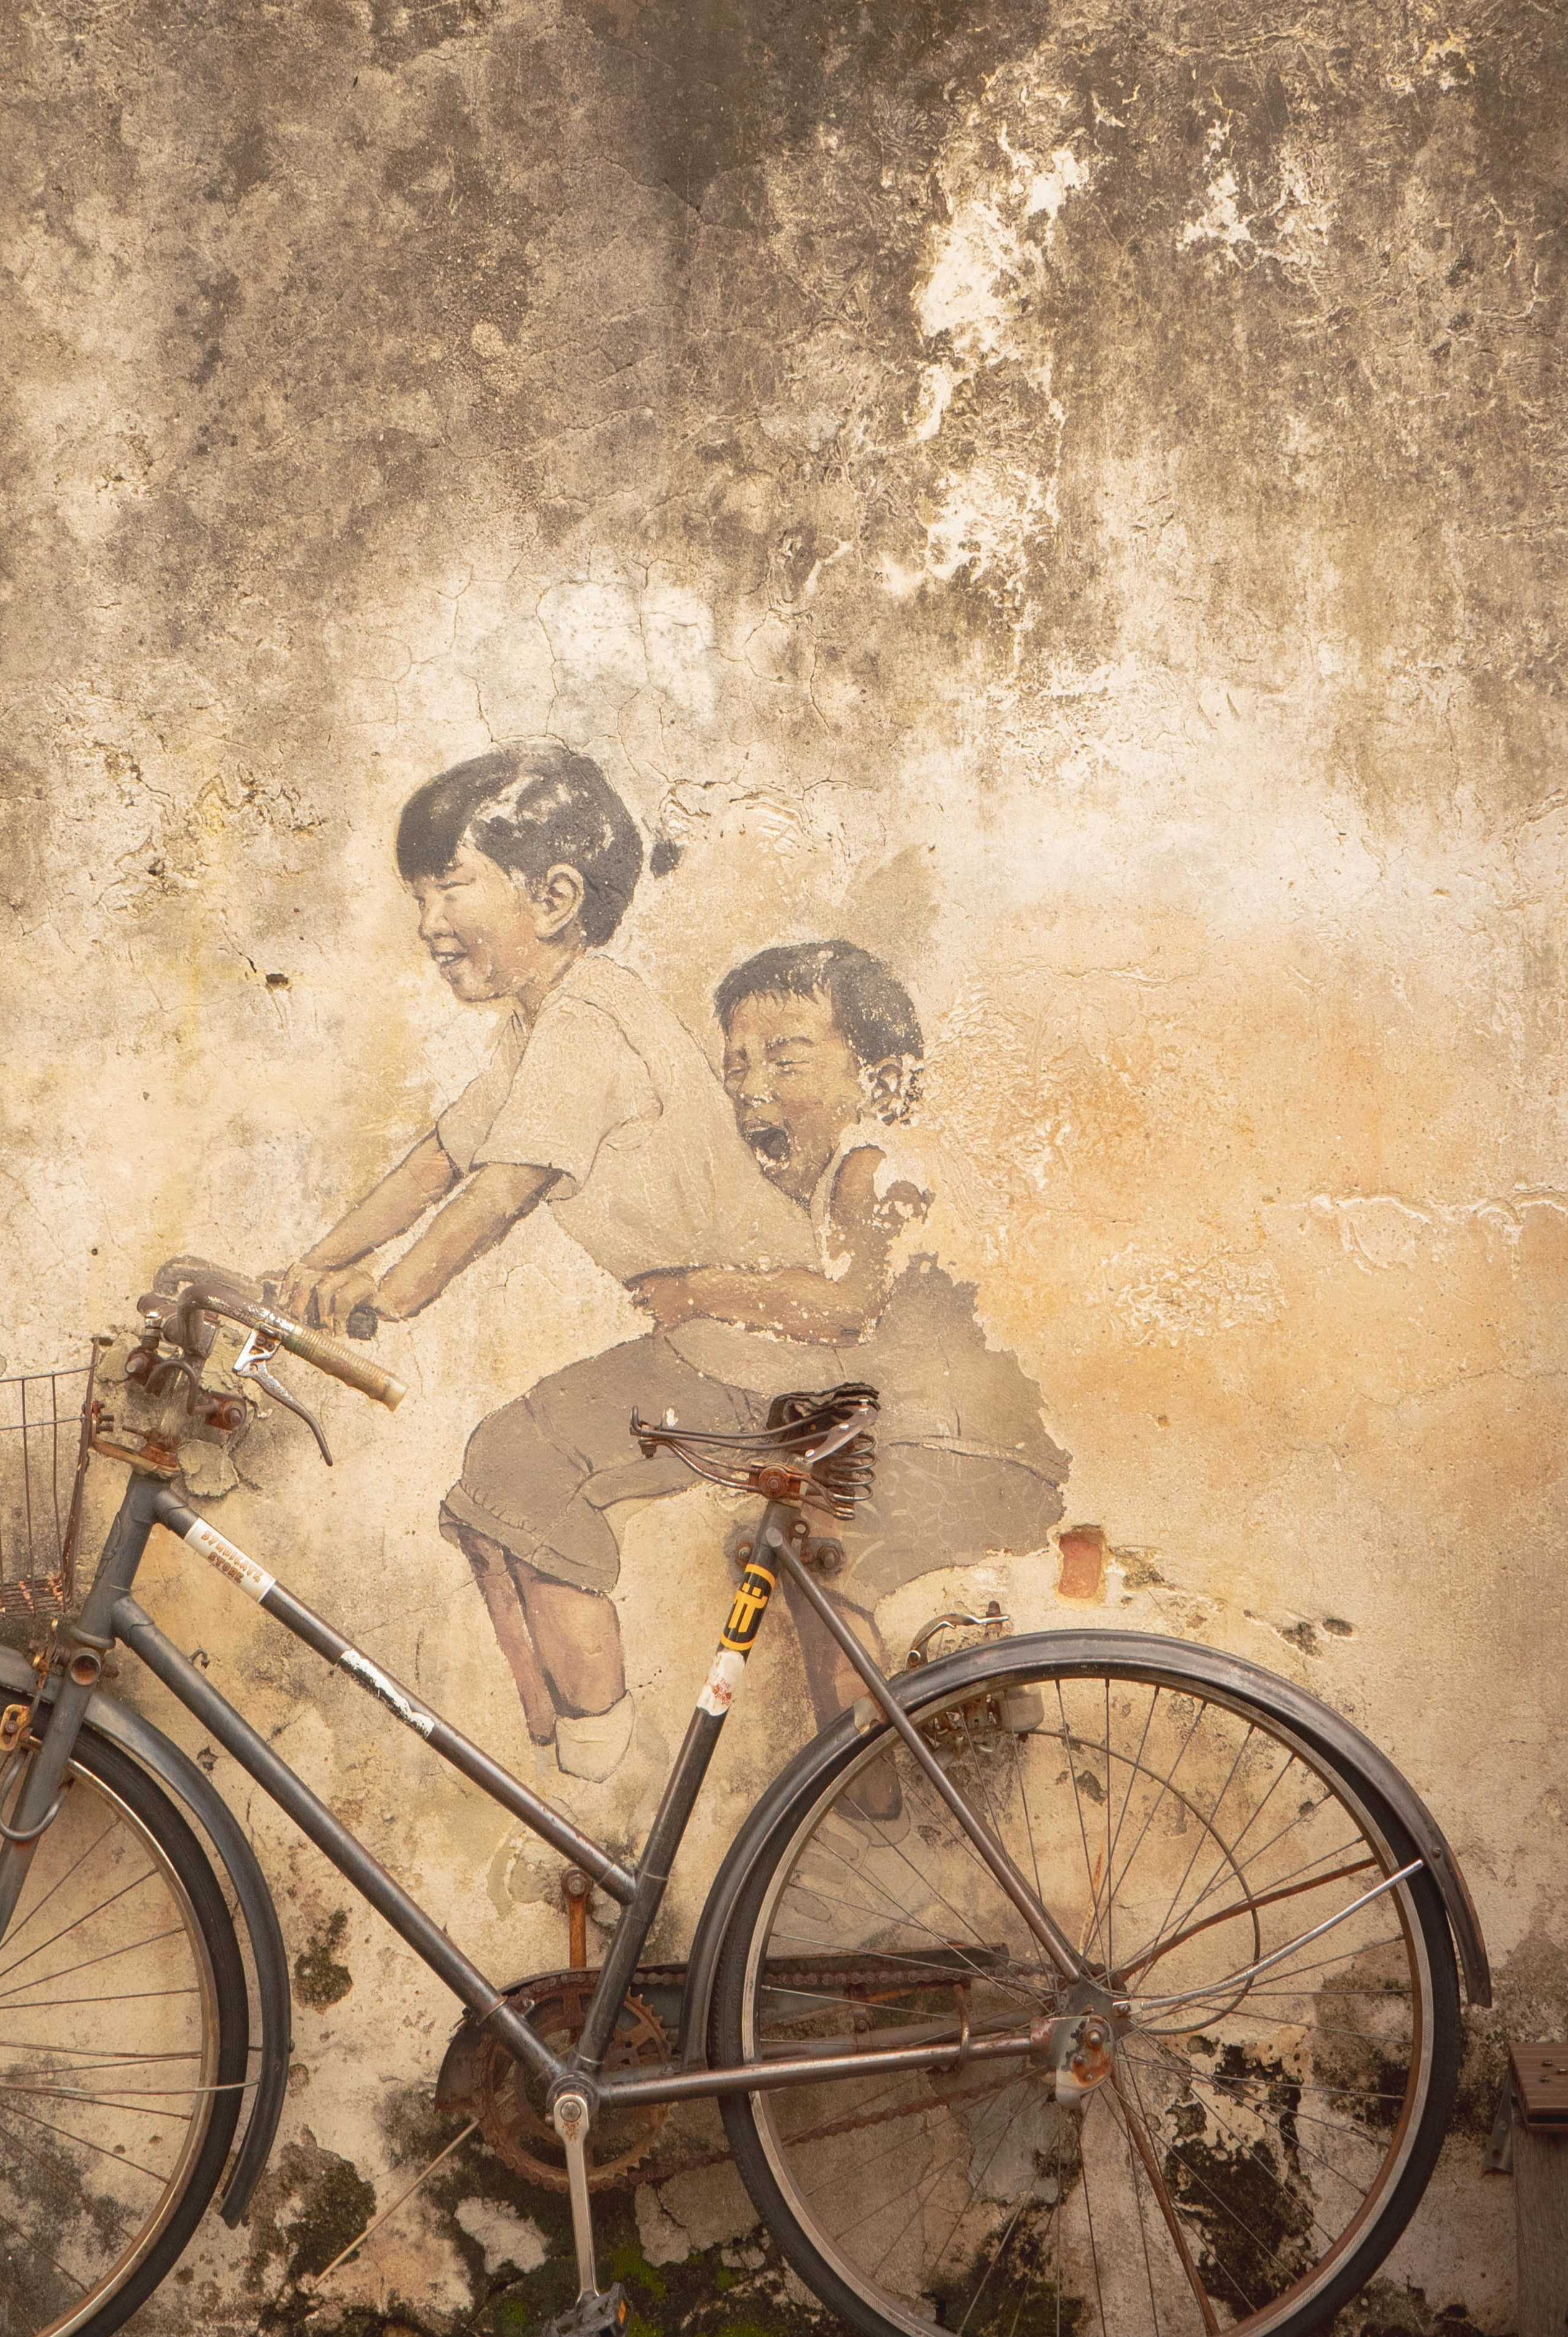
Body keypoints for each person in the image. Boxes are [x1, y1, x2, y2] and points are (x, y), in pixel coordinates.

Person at [278, 744, 863, 1781]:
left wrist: (385, 1296)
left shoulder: (592, 1023)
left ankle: (599, 1769)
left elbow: (500, 1192)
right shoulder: (540, 1027)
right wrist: (301, 1270)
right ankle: (566, 1746)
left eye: (449, 885)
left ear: (551, 898)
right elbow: (437, 1163)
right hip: (709, 1346)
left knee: (522, 1468)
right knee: (493, 1486)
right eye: (418, 895)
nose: (426, 922)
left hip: (750, 1351)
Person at [672, 936, 1068, 1711]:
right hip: (944, 1445)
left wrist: (698, 1290)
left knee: (822, 1560)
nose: (752, 1088)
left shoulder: (871, 1165)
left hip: (959, 1449)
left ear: (881, 1079)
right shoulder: (861, 1172)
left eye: (785, 1062)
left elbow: (847, 1308)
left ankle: (873, 1787)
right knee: (788, 1550)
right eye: (737, 1065)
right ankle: (892, 1754)